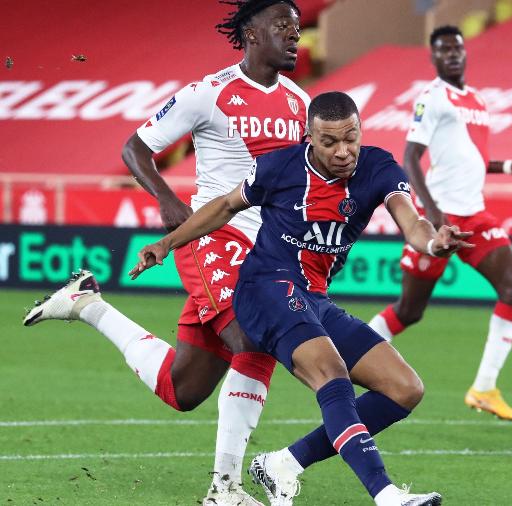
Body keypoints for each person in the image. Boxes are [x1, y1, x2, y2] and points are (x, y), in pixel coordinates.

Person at [23, 1, 309, 503]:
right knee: (255, 341)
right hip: (212, 239)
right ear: (250, 32)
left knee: (184, 390)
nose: (294, 34)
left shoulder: (298, 102)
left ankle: (87, 305)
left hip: (266, 251)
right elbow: (134, 147)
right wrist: (167, 198)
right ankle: (225, 489)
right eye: (282, 25)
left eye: (298, 27)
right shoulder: (207, 93)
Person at [130, 92, 459, 505]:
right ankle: (386, 494)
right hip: (263, 288)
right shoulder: (280, 166)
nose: (344, 151)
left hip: (311, 296)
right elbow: (225, 207)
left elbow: (412, 221)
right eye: (330, 142)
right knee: (331, 373)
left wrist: (433, 244)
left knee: (404, 388)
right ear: (309, 138)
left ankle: (283, 463)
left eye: (351, 138)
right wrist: (167, 243)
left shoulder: (378, 167)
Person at [367, 25, 512, 422]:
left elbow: (472, 158)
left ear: (465, 53)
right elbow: (410, 158)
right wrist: (432, 212)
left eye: (457, 49)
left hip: (475, 215)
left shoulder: (476, 100)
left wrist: (508, 166)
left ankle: (484, 388)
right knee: (409, 311)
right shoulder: (432, 98)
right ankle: (346, 356)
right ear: (433, 57)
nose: (452, 55)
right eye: (443, 50)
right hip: (439, 217)